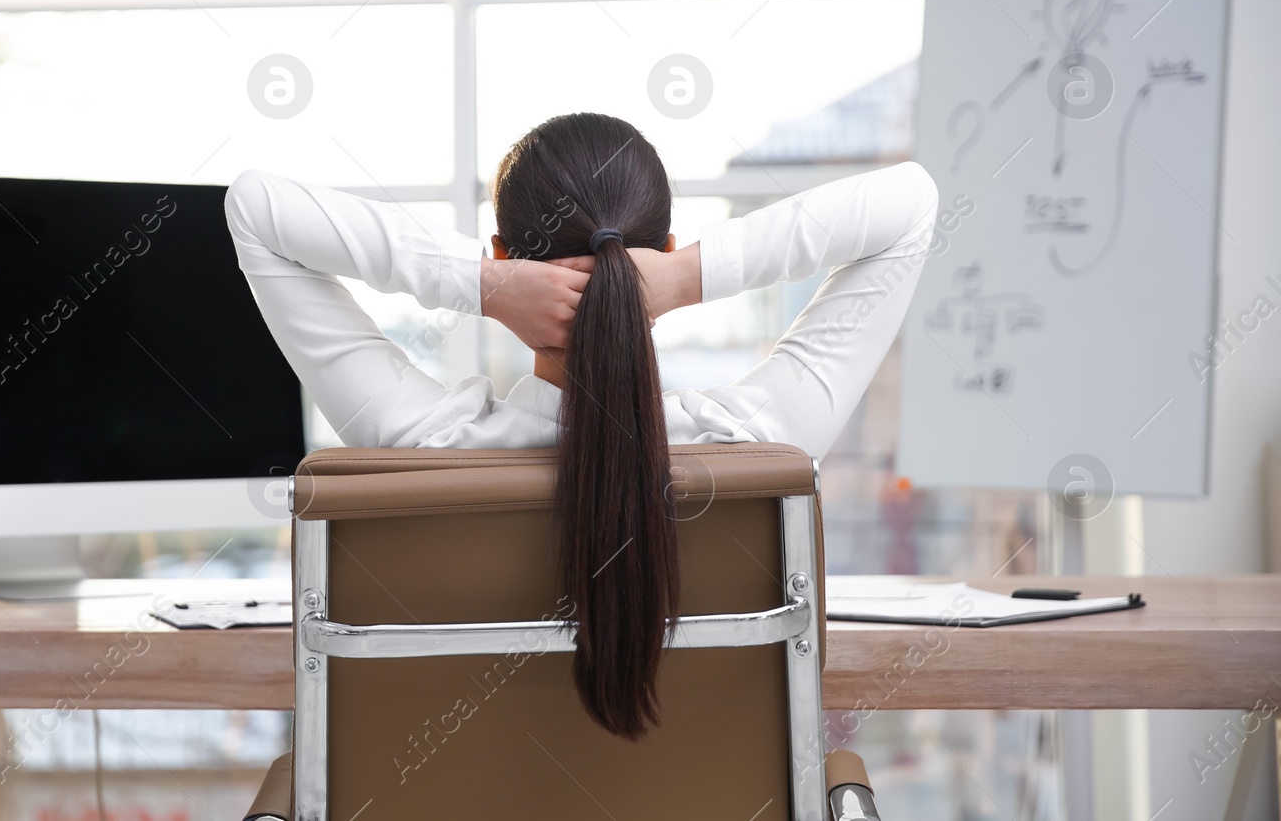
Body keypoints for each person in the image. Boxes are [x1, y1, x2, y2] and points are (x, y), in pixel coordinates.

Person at [226, 112, 938, 739]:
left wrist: (479, 284)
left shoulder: (416, 447)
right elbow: (909, 205)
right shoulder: (766, 442)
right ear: (661, 248)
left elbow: (256, 209)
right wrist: (686, 277)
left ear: (504, 251)